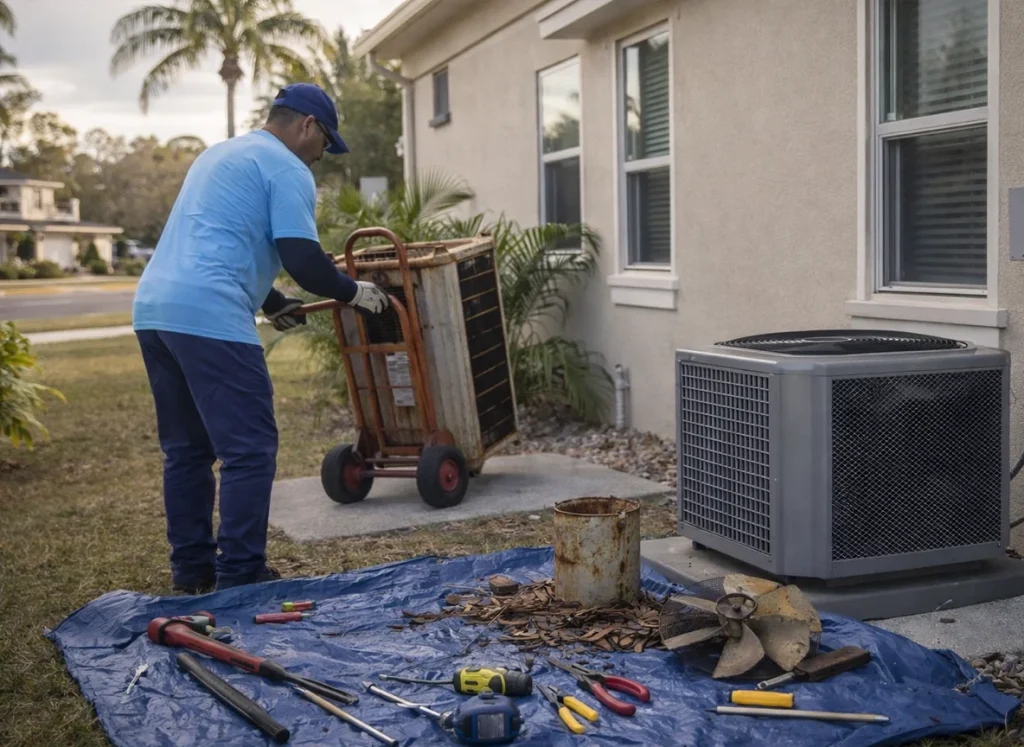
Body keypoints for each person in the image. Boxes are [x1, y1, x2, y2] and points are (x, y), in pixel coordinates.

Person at [132, 83, 390, 593]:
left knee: (185, 451)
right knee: (249, 450)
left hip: (155, 311)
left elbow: (217, 238)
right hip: (211, 318)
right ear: (307, 126)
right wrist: (355, 293)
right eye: (326, 144)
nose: (322, 157)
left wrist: (272, 302)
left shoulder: (220, 153)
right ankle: (240, 575)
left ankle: (193, 571)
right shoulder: (287, 168)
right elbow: (303, 260)